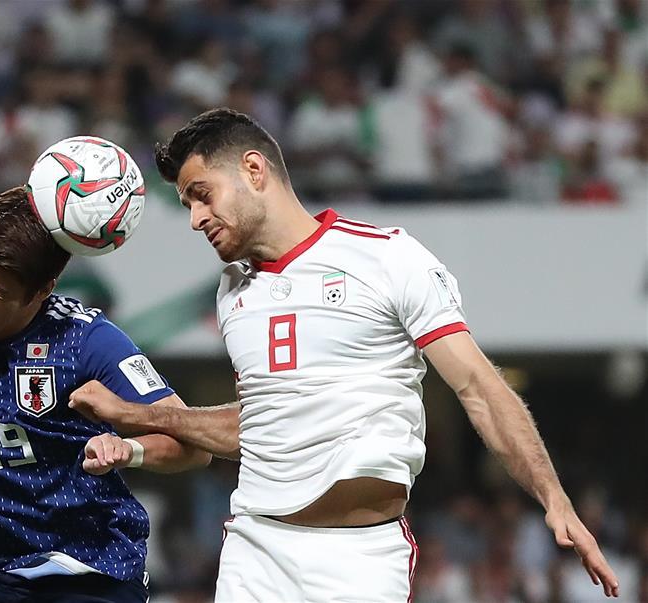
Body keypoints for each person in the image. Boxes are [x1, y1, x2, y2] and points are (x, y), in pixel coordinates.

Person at [68, 108, 620, 602]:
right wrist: (141, 419)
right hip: (255, 550)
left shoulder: (386, 258)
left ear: (254, 171)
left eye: (202, 193)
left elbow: (479, 387)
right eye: (187, 203)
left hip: (360, 560)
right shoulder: (233, 293)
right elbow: (258, 426)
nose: (195, 218)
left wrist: (554, 498)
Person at [0, 185, 211, 603]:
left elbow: (194, 446)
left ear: (41, 292)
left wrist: (127, 450)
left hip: (94, 568)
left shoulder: (87, 339)